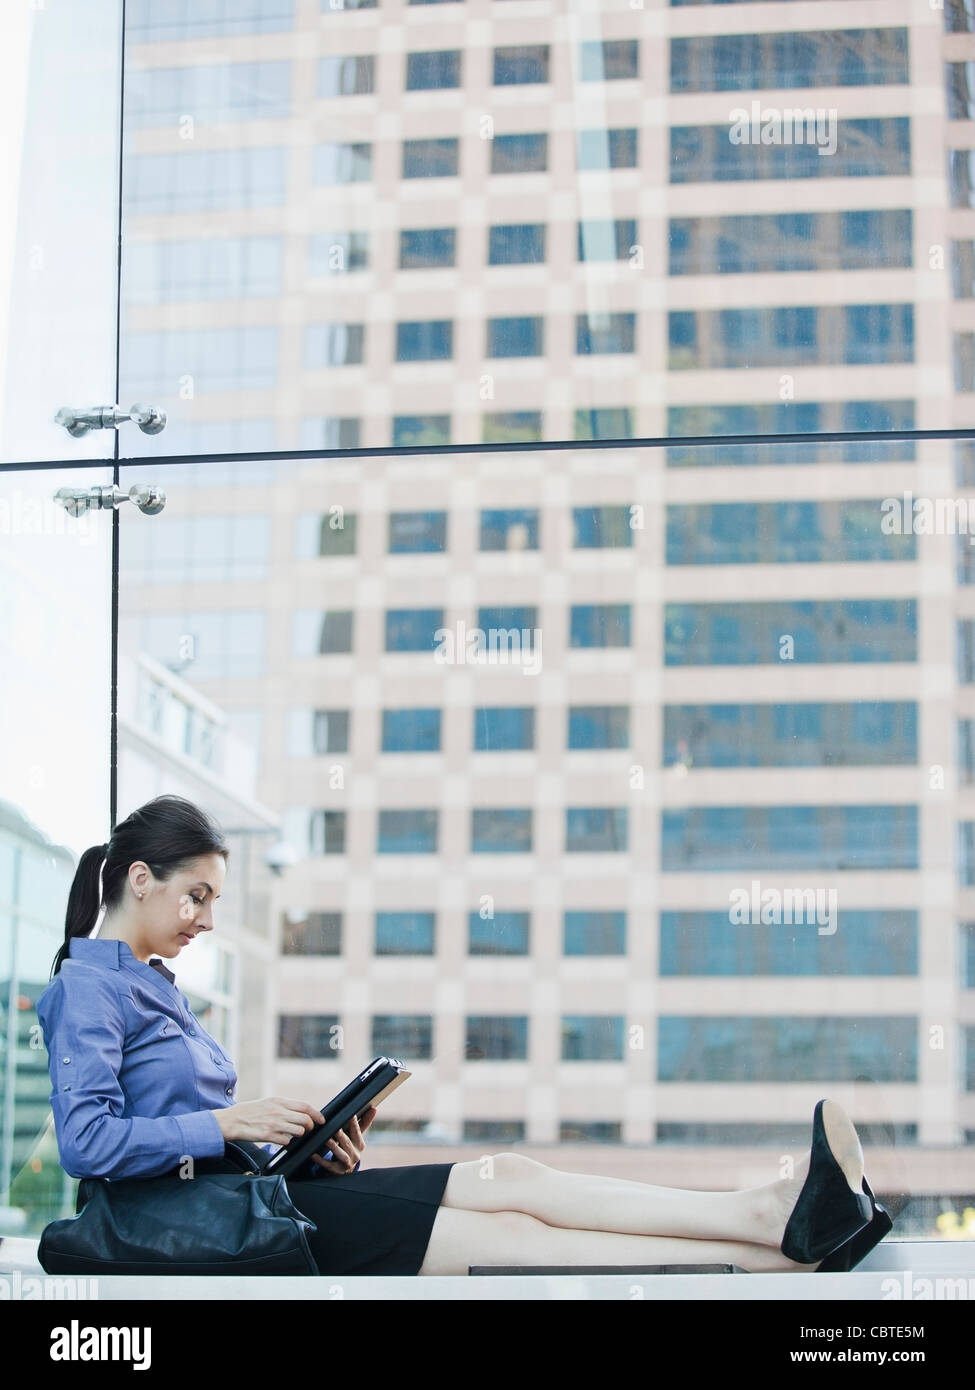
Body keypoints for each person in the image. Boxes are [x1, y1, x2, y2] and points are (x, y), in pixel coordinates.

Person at [35, 793, 893, 1277]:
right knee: (515, 1240)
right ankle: (778, 1254)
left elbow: (184, 1146)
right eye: (196, 896)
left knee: (512, 1177)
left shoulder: (151, 991)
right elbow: (87, 1144)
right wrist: (229, 1123)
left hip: (250, 1202)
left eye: (215, 901)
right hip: (205, 1232)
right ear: (139, 879)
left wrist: (310, 1148)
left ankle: (770, 1215)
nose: (206, 919)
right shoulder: (87, 988)